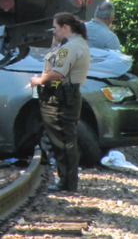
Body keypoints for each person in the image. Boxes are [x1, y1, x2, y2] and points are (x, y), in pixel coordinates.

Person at [30, 12, 90, 193]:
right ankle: (66, 181)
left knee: (63, 142)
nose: (53, 31)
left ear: (65, 27)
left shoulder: (70, 47)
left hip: (60, 99)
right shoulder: (74, 44)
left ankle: (67, 183)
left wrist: (39, 80)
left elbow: (57, 73)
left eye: (55, 27)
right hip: (65, 97)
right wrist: (55, 44)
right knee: (64, 140)